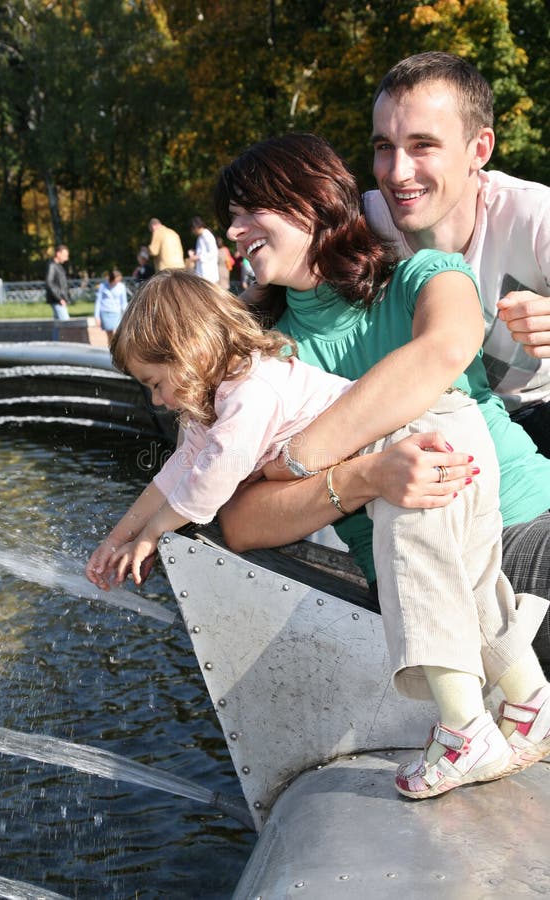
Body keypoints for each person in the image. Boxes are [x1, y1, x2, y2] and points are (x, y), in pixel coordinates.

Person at [85, 268, 550, 799]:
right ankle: (531, 704)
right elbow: (173, 474)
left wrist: (155, 533)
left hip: (419, 441)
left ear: (188, 351)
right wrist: (121, 535)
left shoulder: (249, 393)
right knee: (468, 583)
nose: (159, 402)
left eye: (156, 383)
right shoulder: (211, 405)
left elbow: (208, 487)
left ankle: (466, 732)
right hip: (445, 433)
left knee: (419, 578)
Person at [213, 133, 550, 658]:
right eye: (232, 217)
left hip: (527, 512)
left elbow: (445, 349)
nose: (234, 231)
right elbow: (238, 522)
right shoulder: (261, 360)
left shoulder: (426, 276)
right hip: (431, 569)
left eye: (251, 210)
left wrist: (295, 459)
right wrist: (365, 477)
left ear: (312, 202)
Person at [363, 51, 550, 457]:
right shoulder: (364, 225)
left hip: (535, 413)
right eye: (384, 146)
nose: (396, 173)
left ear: (479, 149)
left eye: (422, 145)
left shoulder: (535, 214)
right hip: (427, 431)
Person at [94, 268, 128, 341]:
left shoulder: (121, 286)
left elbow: (123, 302)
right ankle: (111, 349)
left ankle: (116, 349)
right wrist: (96, 316)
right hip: (105, 312)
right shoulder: (102, 286)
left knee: (116, 333)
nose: (117, 282)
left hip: (116, 312)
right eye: (116, 280)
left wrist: (126, 313)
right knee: (109, 333)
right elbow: (98, 301)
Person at [45, 245, 71, 335]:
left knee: (57, 325)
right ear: (58, 254)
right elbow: (49, 283)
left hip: (58, 300)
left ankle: (56, 343)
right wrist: (59, 298)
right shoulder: (52, 266)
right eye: (65, 255)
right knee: (66, 324)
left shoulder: (58, 266)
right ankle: (65, 344)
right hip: (57, 300)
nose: (66, 258)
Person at [189, 216, 219, 283]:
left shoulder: (207, 235)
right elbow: (202, 251)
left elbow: (213, 252)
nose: (192, 231)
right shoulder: (200, 236)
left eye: (192, 229)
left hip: (208, 273)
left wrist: (198, 257)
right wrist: (194, 253)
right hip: (203, 272)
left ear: (195, 227)